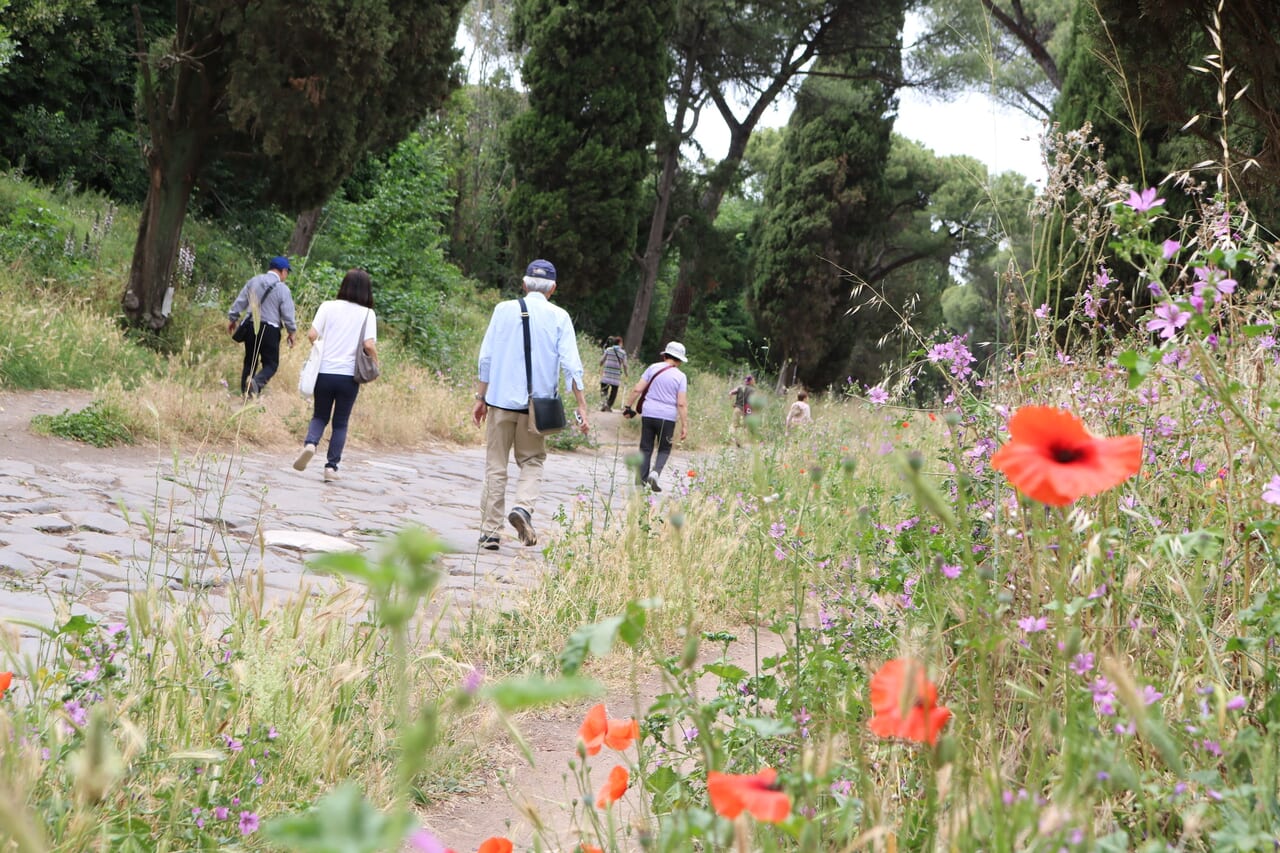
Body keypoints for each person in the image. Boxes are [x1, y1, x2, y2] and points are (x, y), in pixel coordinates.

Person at [472, 259, 590, 550]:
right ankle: (522, 508)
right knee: (532, 461)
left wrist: (480, 397)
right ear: (553, 289)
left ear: (524, 284)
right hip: (537, 408)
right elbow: (571, 365)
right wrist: (582, 407)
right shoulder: (560, 317)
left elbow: (485, 357)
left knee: (496, 465)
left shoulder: (502, 310)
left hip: (499, 402)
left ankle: (490, 533)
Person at [292, 269, 378, 483]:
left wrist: (322, 349)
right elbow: (368, 344)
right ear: (366, 290)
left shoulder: (327, 307)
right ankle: (331, 468)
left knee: (319, 416)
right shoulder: (367, 314)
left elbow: (312, 334)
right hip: (349, 377)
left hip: (324, 372)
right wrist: (376, 361)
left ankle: (310, 444)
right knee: (340, 422)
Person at [621, 342, 688, 493]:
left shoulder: (652, 368)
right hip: (668, 417)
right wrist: (684, 425)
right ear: (679, 361)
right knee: (664, 448)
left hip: (649, 413)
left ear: (664, 355)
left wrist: (628, 407)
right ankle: (655, 473)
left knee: (645, 447)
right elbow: (682, 404)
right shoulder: (681, 377)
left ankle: (640, 481)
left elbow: (638, 388)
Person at [228, 256, 297, 396]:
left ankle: (246, 395)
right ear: (283, 271)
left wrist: (233, 318)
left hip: (251, 326)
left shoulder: (254, 281)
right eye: (287, 272)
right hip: (270, 329)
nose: (287, 275)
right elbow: (287, 314)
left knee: (250, 361)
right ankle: (257, 382)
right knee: (271, 364)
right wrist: (292, 331)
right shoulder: (283, 289)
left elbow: (241, 300)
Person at [599, 335, 628, 412]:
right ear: (620, 343)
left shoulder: (608, 350)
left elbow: (601, 360)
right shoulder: (623, 353)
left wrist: (601, 364)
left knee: (604, 389)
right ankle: (608, 405)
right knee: (614, 391)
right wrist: (626, 373)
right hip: (616, 376)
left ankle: (603, 404)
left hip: (606, 374)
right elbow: (625, 364)